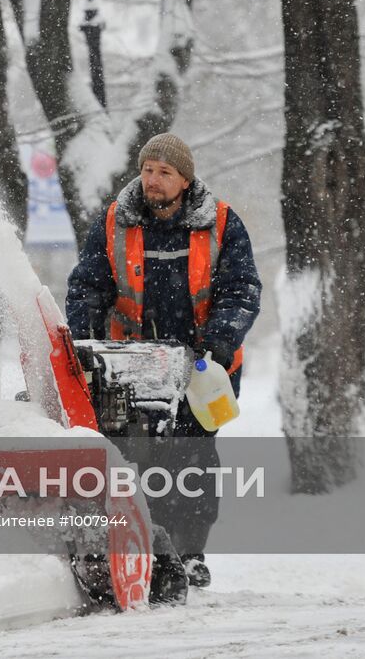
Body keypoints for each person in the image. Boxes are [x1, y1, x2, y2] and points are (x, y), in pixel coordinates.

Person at [66, 132, 261, 588]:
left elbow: (241, 290)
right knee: (134, 456)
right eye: (147, 170)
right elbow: (87, 286)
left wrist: (218, 342)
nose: (152, 180)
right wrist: (87, 339)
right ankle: (139, 546)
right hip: (130, 365)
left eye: (164, 172)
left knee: (190, 459)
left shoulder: (221, 223)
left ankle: (187, 553)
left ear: (185, 180)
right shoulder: (114, 221)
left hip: (201, 368)